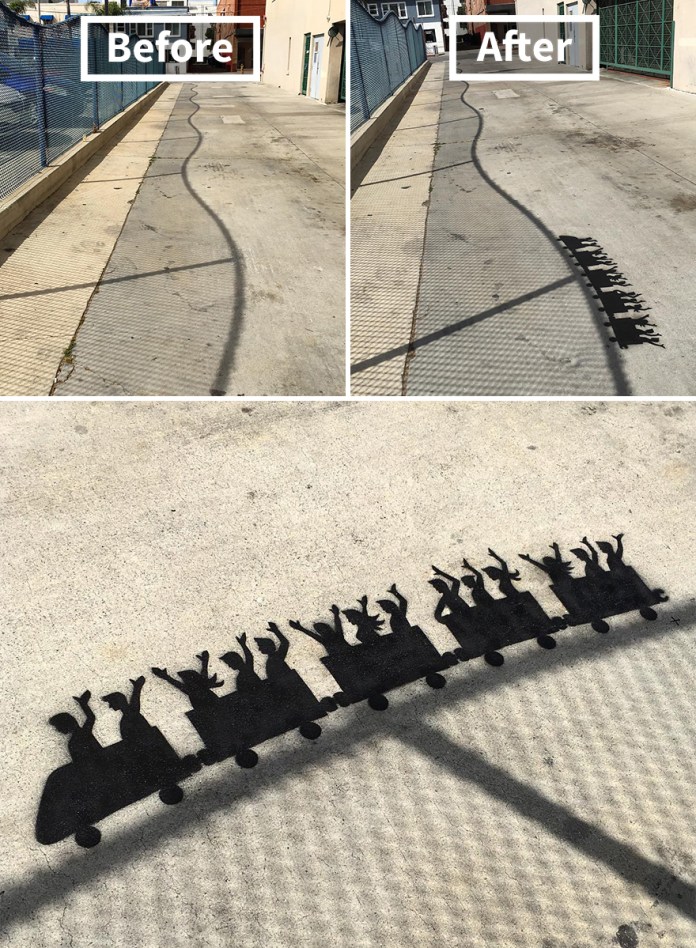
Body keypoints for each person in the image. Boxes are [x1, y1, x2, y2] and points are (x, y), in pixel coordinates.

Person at [151, 651, 224, 710]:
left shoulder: (195, 689)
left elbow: (178, 684)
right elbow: (178, 684)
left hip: (204, 703)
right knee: (201, 684)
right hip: (206, 702)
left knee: (199, 686)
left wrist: (165, 676)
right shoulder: (201, 687)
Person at [49, 690, 102, 763]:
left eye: (57, 726)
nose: (58, 730)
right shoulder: (82, 733)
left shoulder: (78, 737)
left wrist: (83, 704)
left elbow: (91, 717)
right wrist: (83, 704)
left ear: (64, 725)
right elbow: (91, 717)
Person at [102, 676, 151, 742]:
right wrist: (137, 688)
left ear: (118, 702)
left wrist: (137, 688)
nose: (110, 706)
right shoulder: (130, 713)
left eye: (111, 703)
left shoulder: (129, 715)